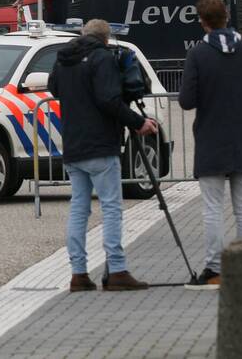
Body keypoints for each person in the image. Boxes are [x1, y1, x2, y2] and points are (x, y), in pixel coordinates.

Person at [49, 19, 158, 292]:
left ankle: (78, 273)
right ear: (106, 39)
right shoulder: (101, 58)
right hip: (100, 144)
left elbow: (54, 88)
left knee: (79, 208)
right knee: (111, 207)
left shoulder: (64, 58)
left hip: (73, 145)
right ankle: (117, 270)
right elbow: (109, 100)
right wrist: (138, 122)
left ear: (83, 34)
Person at [179, 0, 242, 290]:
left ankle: (215, 269)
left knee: (212, 209)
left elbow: (186, 101)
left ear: (202, 21)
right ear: (227, 17)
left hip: (210, 140)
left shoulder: (198, 55)